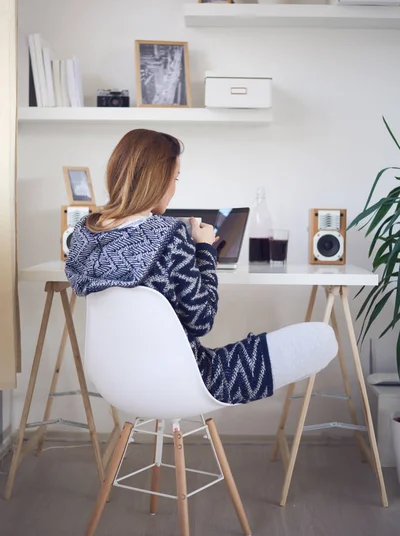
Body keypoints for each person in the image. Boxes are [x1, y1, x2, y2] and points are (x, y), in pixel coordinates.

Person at [65, 129, 338, 405]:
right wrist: (205, 251)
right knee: (322, 338)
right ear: (158, 180)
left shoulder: (85, 234)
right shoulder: (169, 236)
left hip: (114, 383)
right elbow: (201, 320)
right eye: (175, 178)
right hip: (183, 380)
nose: (174, 188)